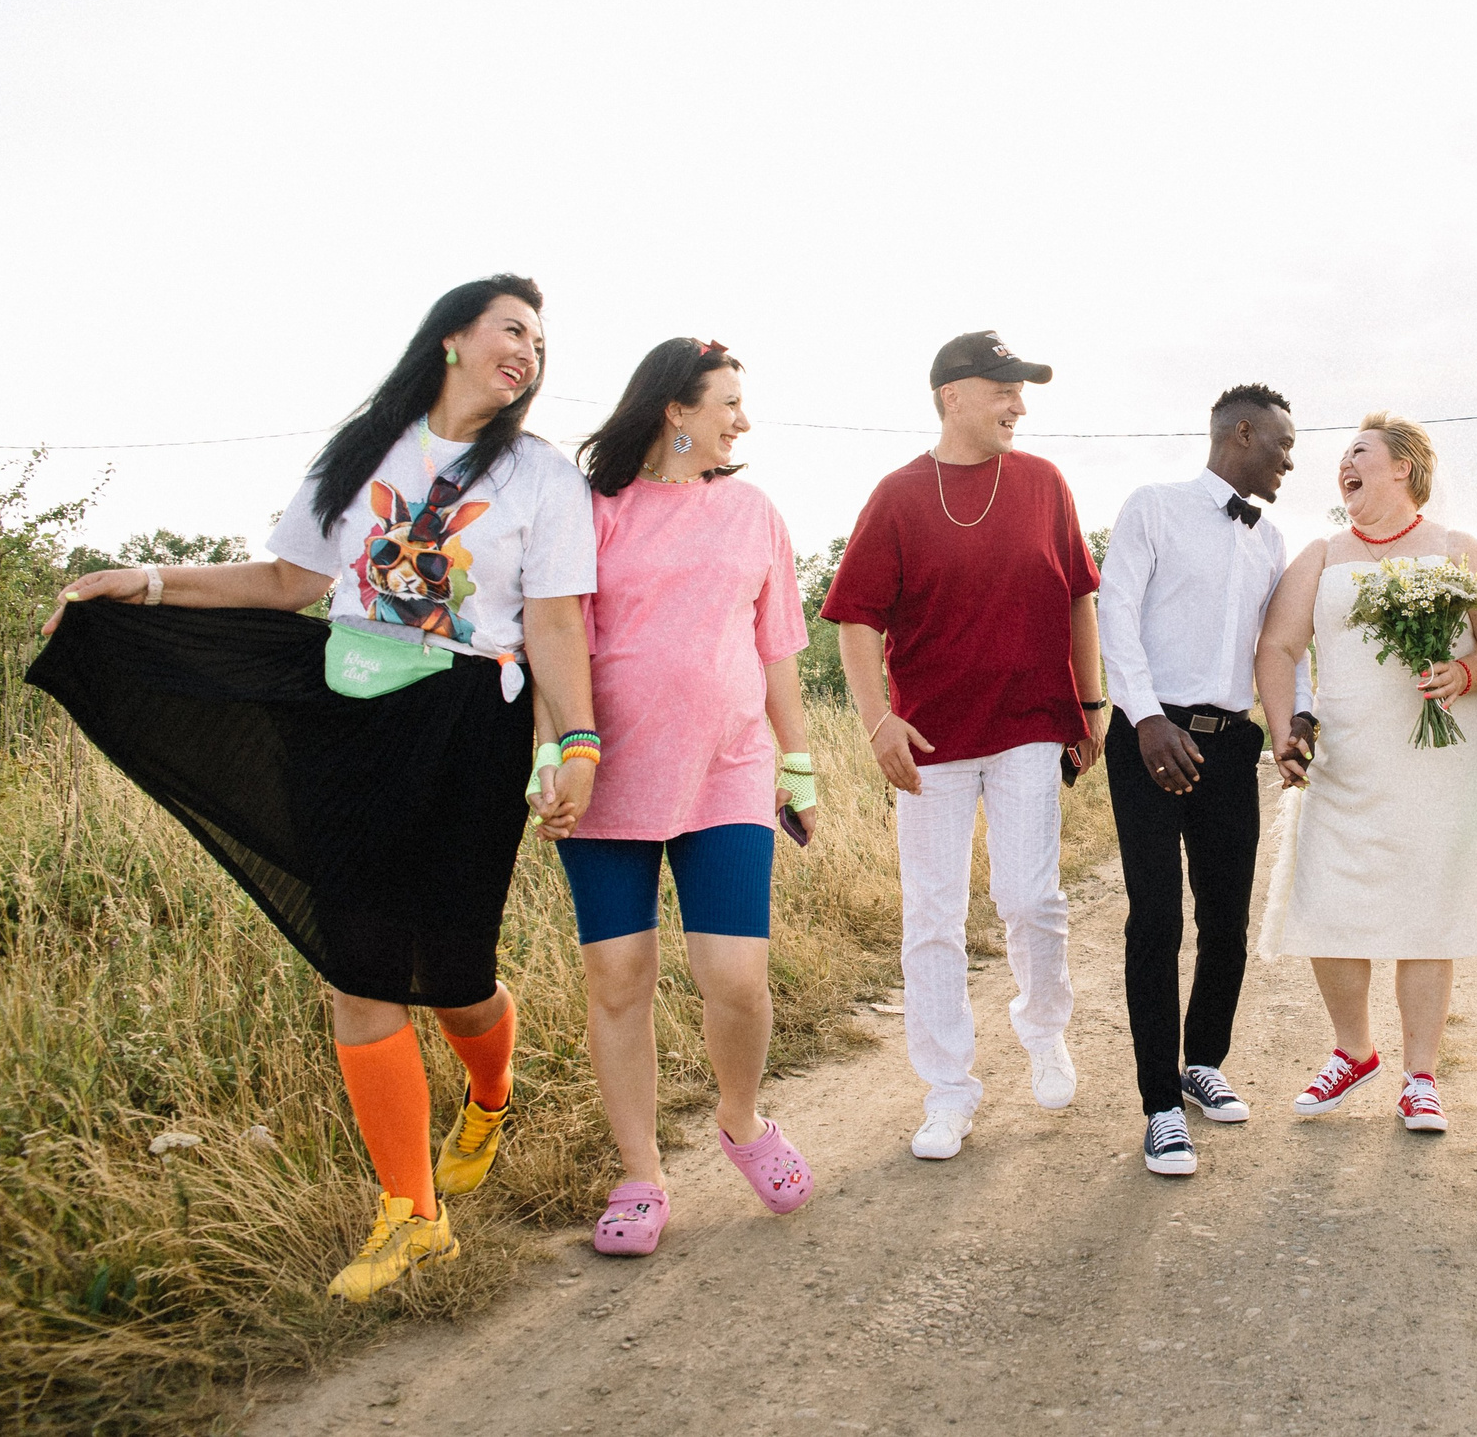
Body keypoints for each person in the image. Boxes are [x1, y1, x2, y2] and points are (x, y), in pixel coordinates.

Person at [29, 275, 597, 1299]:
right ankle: (412, 1214)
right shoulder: (362, 452)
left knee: (454, 966)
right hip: (346, 706)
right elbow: (286, 581)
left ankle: (491, 1090)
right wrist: (145, 581)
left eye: (540, 339)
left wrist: (580, 742)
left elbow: (555, 622)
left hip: (469, 724)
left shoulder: (541, 478)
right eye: (511, 329)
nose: (529, 350)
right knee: (356, 966)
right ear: (453, 340)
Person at [555, 338, 822, 1254]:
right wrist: (552, 752)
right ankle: (641, 1173)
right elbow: (555, 641)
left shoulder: (752, 511)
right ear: (675, 409)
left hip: (728, 770)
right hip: (606, 776)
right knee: (618, 978)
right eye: (727, 403)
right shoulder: (589, 511)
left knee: (736, 981)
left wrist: (799, 764)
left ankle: (741, 1121)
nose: (741, 421)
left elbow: (779, 644)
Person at [821, 331, 1104, 1162]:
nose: (1019, 404)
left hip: (1027, 723)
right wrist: (878, 720)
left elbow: (1080, 599)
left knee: (1031, 899)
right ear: (953, 396)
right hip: (931, 739)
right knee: (933, 917)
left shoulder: (1046, 484)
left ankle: (1043, 1028)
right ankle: (949, 1090)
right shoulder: (900, 495)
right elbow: (856, 620)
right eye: (1004, 389)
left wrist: (1089, 703)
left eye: (1022, 391)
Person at [1255, 412, 1477, 1134]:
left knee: (1428, 910)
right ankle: (1353, 1051)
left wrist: (1464, 671)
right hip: (1347, 762)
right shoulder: (1321, 555)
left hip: (1443, 759)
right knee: (1333, 902)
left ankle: (1421, 1077)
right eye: (1343, 457)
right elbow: (1278, 647)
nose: (1345, 464)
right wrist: (1284, 732)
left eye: (1359, 452)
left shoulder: (1461, 549)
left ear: (1403, 466)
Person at [1097, 384, 1306, 1177]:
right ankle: (1158, 1106)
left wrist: (1296, 722)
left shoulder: (1271, 537)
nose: (1290, 460)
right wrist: (1146, 718)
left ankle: (1202, 1062)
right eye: (1283, 446)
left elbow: (1279, 644)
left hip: (1229, 744)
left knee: (1226, 917)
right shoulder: (1153, 505)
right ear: (1241, 434)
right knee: (1156, 918)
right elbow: (1116, 612)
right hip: (1151, 737)